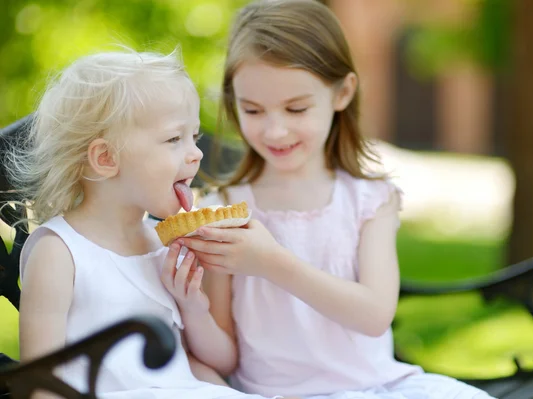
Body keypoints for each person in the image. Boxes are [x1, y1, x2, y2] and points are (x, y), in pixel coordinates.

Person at [178, 1, 495, 399]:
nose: (275, 131)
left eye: (296, 108)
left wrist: (272, 262)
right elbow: (224, 359)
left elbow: (375, 314)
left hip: (376, 387)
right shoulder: (224, 208)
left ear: (342, 93)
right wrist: (192, 305)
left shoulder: (370, 200)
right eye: (253, 109)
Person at [7, 47, 287, 399]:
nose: (196, 153)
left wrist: (192, 307)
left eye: (195, 137)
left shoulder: (165, 246)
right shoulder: (59, 252)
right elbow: (40, 384)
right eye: (174, 139)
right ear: (106, 158)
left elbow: (218, 363)